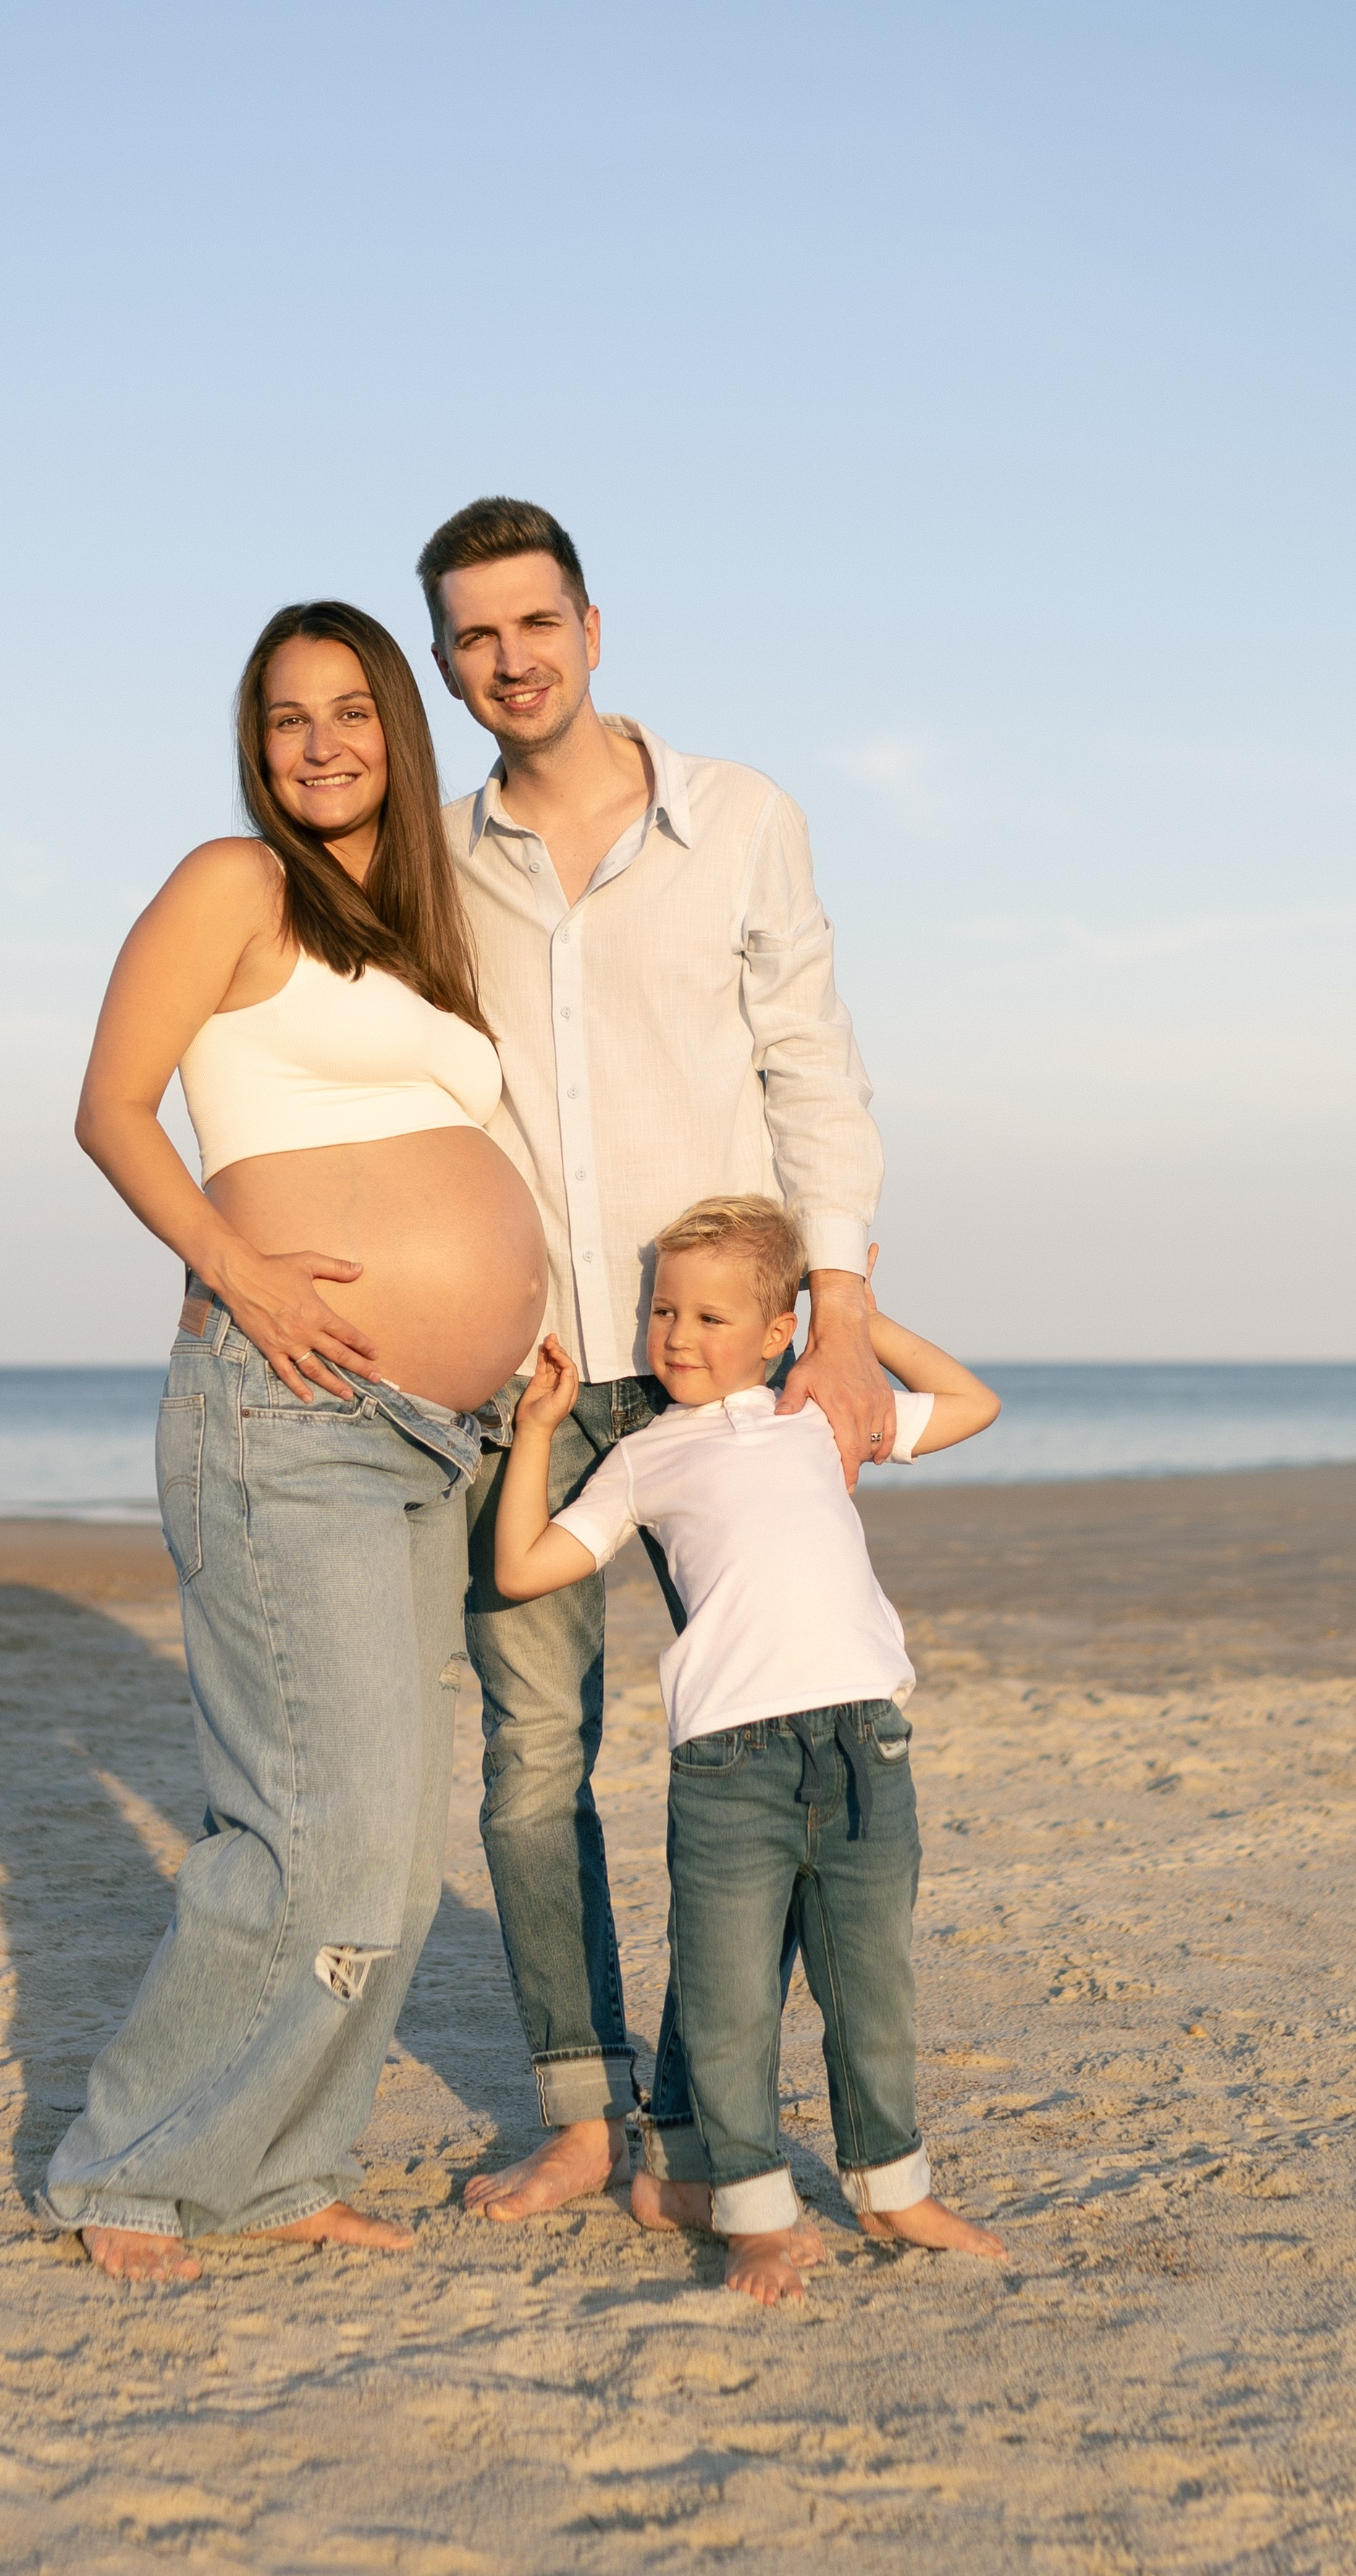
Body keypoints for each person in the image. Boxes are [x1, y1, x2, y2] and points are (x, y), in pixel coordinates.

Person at [41, 600, 546, 2281]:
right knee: (308, 1829)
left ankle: (276, 2166)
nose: (318, 743)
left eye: (349, 711)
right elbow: (111, 1105)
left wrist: (515, 1325)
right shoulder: (231, 883)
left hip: (430, 1433)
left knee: (393, 1843)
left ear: (398, 731)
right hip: (286, 1410)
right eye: (283, 719)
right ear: (253, 748)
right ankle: (130, 2163)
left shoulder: (412, 932)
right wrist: (238, 1265)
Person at [417, 495, 896, 2218]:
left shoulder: (741, 817)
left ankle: (704, 2122)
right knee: (533, 1756)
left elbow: (809, 1065)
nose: (508, 659)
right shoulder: (432, 851)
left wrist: (833, 1311)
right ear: (446, 659)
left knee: (760, 1732)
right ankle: (576, 2105)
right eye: (472, 635)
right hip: (531, 1377)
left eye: (531, 622)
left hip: (722, 1371)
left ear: (592, 627)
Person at [493, 1196, 1008, 2302]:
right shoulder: (641, 1459)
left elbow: (974, 1402)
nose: (677, 1336)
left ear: (778, 1332)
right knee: (728, 2007)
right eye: (664, 1310)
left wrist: (848, 1315)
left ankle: (892, 2185)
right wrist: (538, 1431)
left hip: (867, 1747)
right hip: (730, 1770)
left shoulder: (820, 1409)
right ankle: (753, 2211)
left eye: (712, 1316)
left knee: (872, 1990)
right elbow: (528, 1567)